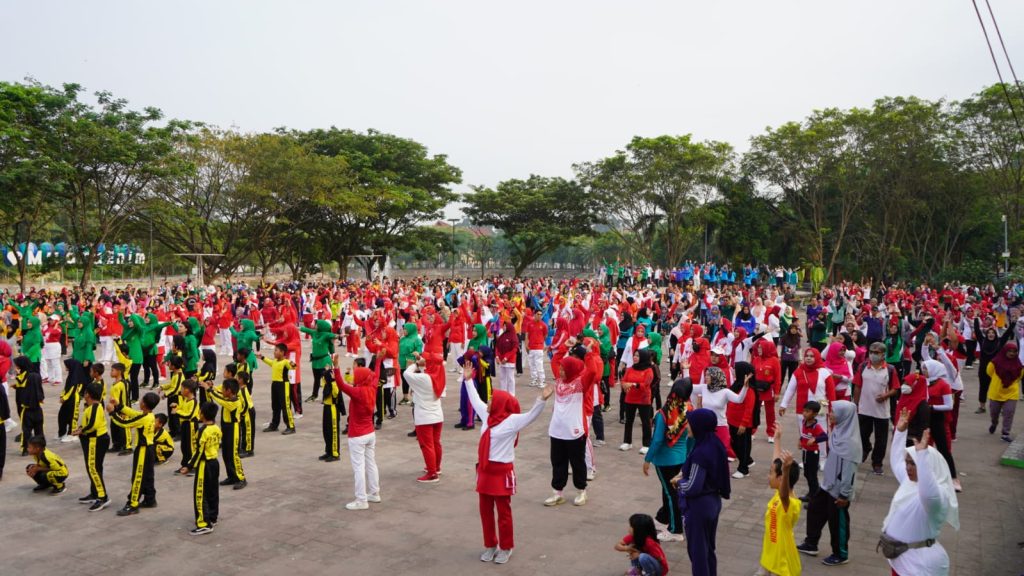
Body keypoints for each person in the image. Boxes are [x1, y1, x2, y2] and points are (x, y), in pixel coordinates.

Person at [466, 370, 553, 565]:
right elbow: (474, 400)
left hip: (501, 471)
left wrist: (541, 399)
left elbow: (530, 417)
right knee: (485, 511)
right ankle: (490, 545)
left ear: (499, 404)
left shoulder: (510, 422)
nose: (487, 402)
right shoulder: (487, 417)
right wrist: (468, 380)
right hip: (485, 471)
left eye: (491, 399)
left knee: (503, 513)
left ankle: (506, 547)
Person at [882, 408, 960, 576]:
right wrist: (900, 432)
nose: (908, 467)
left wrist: (922, 455)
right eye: (908, 462)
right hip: (901, 560)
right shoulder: (910, 483)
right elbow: (896, 461)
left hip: (920, 566)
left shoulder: (939, 495)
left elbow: (929, 494)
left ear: (928, 467)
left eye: (913, 463)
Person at [797, 400, 860, 566]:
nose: (830, 414)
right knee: (814, 510)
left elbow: (849, 473)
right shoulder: (838, 431)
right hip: (827, 486)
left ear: (844, 416)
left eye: (834, 412)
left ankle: (840, 553)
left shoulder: (850, 443)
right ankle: (811, 543)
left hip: (839, 491)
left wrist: (844, 494)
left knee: (837, 523)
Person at [676, 408, 730, 576]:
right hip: (713, 502)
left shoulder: (701, 452)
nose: (687, 427)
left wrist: (678, 482)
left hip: (700, 506)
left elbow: (693, 486)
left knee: (698, 553)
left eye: (690, 424)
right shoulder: (714, 443)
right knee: (708, 549)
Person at [643, 379, 692, 543]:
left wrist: (647, 459)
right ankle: (664, 518)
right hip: (681, 457)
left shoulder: (664, 414)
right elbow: (692, 438)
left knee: (671, 494)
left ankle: (675, 529)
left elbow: (657, 441)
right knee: (671, 492)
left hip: (664, 460)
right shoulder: (689, 410)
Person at [544, 355, 589, 507]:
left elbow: (594, 371)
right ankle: (557, 493)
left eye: (564, 369)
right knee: (558, 463)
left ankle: (581, 491)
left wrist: (589, 352)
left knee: (577, 463)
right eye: (561, 368)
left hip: (574, 431)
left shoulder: (580, 383)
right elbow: (555, 359)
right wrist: (565, 347)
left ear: (571, 370)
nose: (561, 371)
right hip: (556, 430)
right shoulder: (558, 381)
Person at [338, 358, 381, 510]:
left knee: (359, 468)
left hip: (357, 434)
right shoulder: (372, 388)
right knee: (371, 463)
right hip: (370, 432)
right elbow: (376, 375)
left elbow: (341, 385)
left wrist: (336, 367)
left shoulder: (357, 392)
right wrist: (379, 359)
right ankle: (374, 493)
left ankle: (361, 500)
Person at [758, 427, 801, 576]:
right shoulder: (779, 492)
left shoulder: (790, 502)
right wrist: (777, 439)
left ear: (781, 479)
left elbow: (784, 495)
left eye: (771, 473)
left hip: (782, 560)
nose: (768, 476)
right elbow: (776, 463)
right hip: (770, 554)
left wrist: (786, 470)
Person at [108, 391, 159, 516]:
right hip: (150, 449)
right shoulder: (150, 415)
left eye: (141, 400)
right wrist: (120, 406)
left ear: (144, 404)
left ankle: (133, 504)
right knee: (148, 476)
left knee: (137, 477)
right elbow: (134, 414)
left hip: (143, 450)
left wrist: (112, 413)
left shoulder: (144, 418)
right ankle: (150, 498)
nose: (140, 402)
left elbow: (125, 423)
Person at [853, 342, 900, 475]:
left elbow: (895, 388)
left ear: (883, 355)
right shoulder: (863, 367)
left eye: (876, 352)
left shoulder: (890, 369)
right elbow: (857, 386)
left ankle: (877, 463)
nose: (873, 355)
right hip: (864, 408)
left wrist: (886, 395)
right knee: (862, 434)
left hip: (881, 411)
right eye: (871, 352)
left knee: (881, 439)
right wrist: (856, 404)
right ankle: (865, 449)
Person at [403, 353, 444, 482]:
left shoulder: (425, 378)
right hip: (437, 414)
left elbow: (406, 374)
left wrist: (416, 364)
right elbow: (424, 374)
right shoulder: (440, 376)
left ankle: (432, 473)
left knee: (427, 445)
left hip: (424, 416)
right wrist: (422, 364)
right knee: (436, 443)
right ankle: (436, 467)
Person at [203, 377, 247, 490]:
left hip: (233, 429)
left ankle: (241, 478)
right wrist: (211, 386)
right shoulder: (228, 397)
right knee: (226, 454)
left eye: (223, 388)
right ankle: (232, 476)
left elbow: (219, 399)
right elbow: (218, 394)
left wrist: (209, 390)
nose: (221, 390)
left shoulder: (234, 402)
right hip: (226, 428)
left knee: (233, 455)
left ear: (229, 391)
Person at [72, 382, 110, 511]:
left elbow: (93, 425)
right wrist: (82, 428)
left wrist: (81, 430)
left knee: (94, 468)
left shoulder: (95, 406)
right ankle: (95, 492)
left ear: (88, 394)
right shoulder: (91, 406)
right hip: (92, 439)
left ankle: (102, 497)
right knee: (92, 467)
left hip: (96, 440)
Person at [186, 401, 222, 535]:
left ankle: (203, 523)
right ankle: (213, 517)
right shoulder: (217, 428)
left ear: (203, 415)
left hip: (204, 464)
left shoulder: (202, 431)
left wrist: (189, 466)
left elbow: (199, 451)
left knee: (200, 494)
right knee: (213, 491)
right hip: (214, 462)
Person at [621, 349, 655, 453]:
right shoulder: (630, 369)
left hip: (643, 399)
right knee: (629, 421)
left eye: (638, 356)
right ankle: (627, 442)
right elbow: (623, 380)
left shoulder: (649, 370)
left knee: (645, 422)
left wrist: (633, 384)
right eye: (634, 355)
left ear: (643, 358)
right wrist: (624, 385)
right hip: (630, 398)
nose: (635, 357)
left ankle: (646, 444)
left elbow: (646, 385)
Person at [986, 341, 1020, 442]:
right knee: (994, 412)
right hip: (996, 391)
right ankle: (994, 423)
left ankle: (1005, 433)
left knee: (1009, 412)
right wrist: (999, 380)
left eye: (1014, 351)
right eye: (1009, 351)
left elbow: (1019, 376)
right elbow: (989, 372)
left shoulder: (1018, 365)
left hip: (1011, 393)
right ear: (1005, 351)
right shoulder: (994, 362)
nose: (1012, 353)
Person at [259, 344, 297, 434]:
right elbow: (270, 362)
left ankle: (291, 426)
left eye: (276, 350)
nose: (274, 352)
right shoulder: (275, 361)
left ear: (282, 352)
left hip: (283, 386)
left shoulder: (285, 362)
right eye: (275, 350)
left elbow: (294, 366)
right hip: (275, 385)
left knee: (285, 406)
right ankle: (274, 425)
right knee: (275, 406)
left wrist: (292, 362)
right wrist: (262, 357)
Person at [13, 356, 44, 456]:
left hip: (26, 407)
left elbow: (21, 383)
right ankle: (41, 447)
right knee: (39, 429)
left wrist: (18, 375)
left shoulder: (24, 375)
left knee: (26, 430)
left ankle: (25, 449)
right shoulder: (35, 375)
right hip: (37, 407)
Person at [799, 400, 827, 501]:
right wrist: (800, 441)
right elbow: (803, 434)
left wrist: (815, 439)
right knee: (806, 473)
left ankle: (816, 497)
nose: (804, 413)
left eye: (808, 411)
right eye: (804, 411)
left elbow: (825, 436)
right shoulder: (804, 422)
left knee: (812, 475)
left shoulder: (816, 426)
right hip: (805, 452)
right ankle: (811, 493)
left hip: (813, 453)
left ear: (815, 414)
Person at [172, 379, 200, 475]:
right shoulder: (186, 399)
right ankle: (185, 464)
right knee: (184, 446)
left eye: (182, 388)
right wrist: (177, 407)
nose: (181, 390)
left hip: (191, 425)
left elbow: (189, 415)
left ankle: (193, 466)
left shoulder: (193, 401)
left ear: (188, 390)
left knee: (191, 446)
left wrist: (177, 412)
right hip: (185, 424)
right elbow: (183, 409)